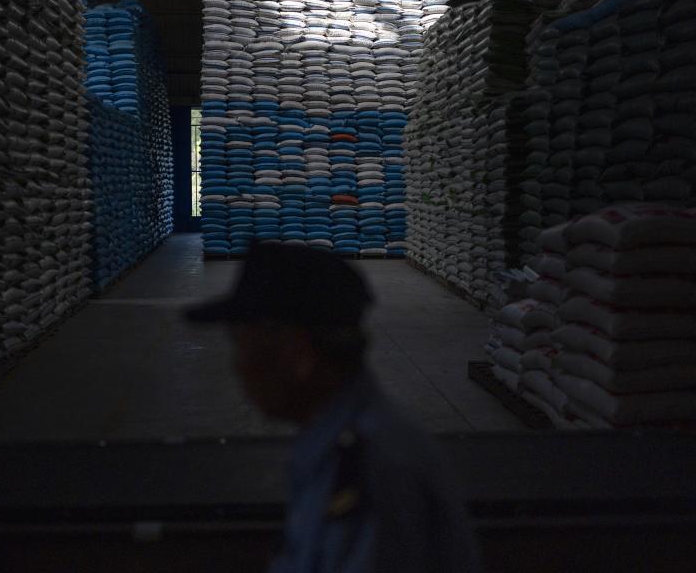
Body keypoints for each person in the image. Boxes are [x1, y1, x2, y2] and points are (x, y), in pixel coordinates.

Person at [185, 242, 482, 573]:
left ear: (299, 355)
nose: (237, 366)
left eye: (242, 344)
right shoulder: (331, 443)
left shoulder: (373, 471)